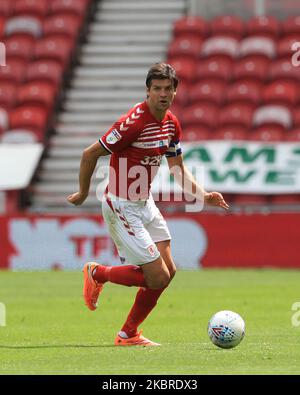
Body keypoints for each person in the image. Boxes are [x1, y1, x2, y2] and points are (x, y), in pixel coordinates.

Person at [67, 62, 229, 346]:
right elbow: (90, 153)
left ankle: (128, 334)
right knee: (156, 276)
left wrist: (204, 195)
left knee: (169, 272)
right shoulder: (134, 123)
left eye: (168, 89)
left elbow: (177, 169)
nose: (162, 94)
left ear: (175, 91)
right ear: (148, 91)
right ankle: (97, 273)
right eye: (157, 89)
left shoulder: (171, 124)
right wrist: (82, 192)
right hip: (121, 205)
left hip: (144, 203)